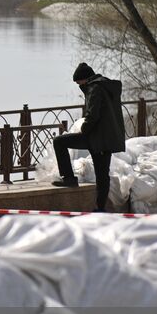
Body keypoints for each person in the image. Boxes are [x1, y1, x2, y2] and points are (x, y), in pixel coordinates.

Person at [50, 63, 125, 211]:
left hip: (97, 138)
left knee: (59, 142)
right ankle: (100, 208)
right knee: (102, 174)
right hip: (106, 138)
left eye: (78, 82)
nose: (78, 85)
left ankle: (70, 179)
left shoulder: (94, 89)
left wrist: (83, 129)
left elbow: (93, 115)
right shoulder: (106, 86)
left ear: (84, 79)